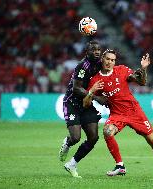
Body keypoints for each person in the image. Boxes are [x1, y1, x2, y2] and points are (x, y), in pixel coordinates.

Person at [83, 49, 153, 179]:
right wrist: (91, 91)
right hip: (117, 114)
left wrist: (143, 68)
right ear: (102, 59)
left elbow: (141, 82)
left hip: (134, 112)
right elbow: (86, 104)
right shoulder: (96, 80)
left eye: (113, 60)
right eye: (107, 59)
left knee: (152, 141)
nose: (110, 62)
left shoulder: (121, 70)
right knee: (107, 131)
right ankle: (120, 166)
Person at [59, 40, 107, 178]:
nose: (97, 51)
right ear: (87, 52)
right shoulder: (82, 66)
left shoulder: (100, 63)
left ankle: (72, 164)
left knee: (93, 137)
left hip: (86, 103)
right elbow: (76, 88)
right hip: (72, 103)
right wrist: (97, 98)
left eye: (99, 49)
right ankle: (67, 143)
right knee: (76, 138)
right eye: (93, 49)